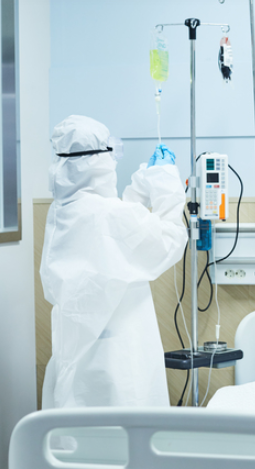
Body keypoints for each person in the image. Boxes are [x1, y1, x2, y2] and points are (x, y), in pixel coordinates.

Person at [40, 115, 187, 408]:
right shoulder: (106, 215)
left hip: (81, 354)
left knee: (80, 424)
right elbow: (169, 239)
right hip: (119, 360)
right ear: (97, 161)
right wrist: (165, 180)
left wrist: (142, 184)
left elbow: (119, 238)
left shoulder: (64, 211)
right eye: (112, 152)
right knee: (123, 428)